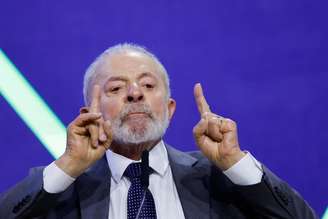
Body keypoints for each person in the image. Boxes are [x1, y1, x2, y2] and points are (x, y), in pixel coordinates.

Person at [0, 43, 317, 219]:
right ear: (89, 114)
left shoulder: (217, 178)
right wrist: (68, 166)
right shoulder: (59, 189)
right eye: (116, 87)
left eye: (148, 85)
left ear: (169, 109)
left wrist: (235, 162)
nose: (135, 93)